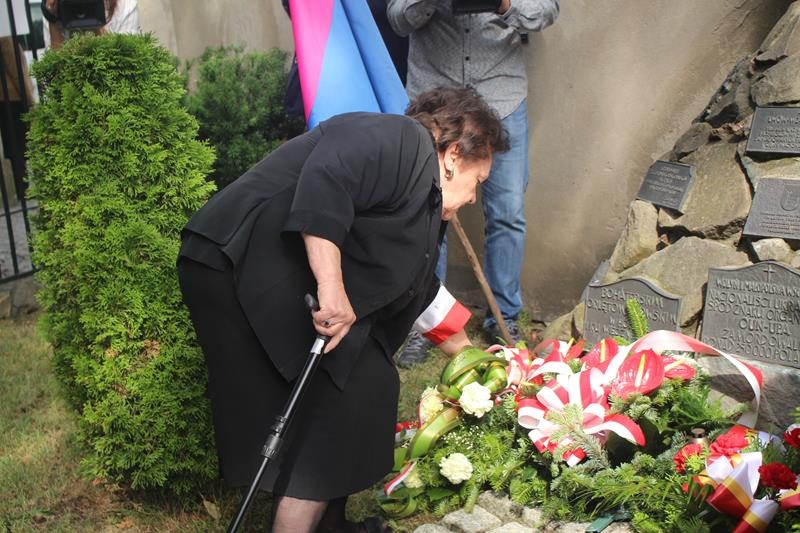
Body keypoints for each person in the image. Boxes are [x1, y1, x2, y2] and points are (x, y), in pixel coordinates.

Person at [177, 86, 507, 533]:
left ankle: (329, 524)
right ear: (453, 155)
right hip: (236, 257)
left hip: (268, 270)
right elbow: (327, 180)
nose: (473, 199)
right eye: (478, 182)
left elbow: (418, 286)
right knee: (339, 409)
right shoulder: (400, 138)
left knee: (364, 386)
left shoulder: (426, 203)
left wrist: (472, 358)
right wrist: (332, 287)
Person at [388, 0, 560, 366]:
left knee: (508, 213)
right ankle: (425, 322)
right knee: (428, 211)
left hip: (502, 98)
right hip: (435, 103)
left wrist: (503, 4)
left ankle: (504, 319)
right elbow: (398, 19)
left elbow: (546, 11)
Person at [41, 0, 139, 50]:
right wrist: (52, 17)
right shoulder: (54, 7)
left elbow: (126, 65)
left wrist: (93, 13)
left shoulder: (125, 4)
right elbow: (53, 75)